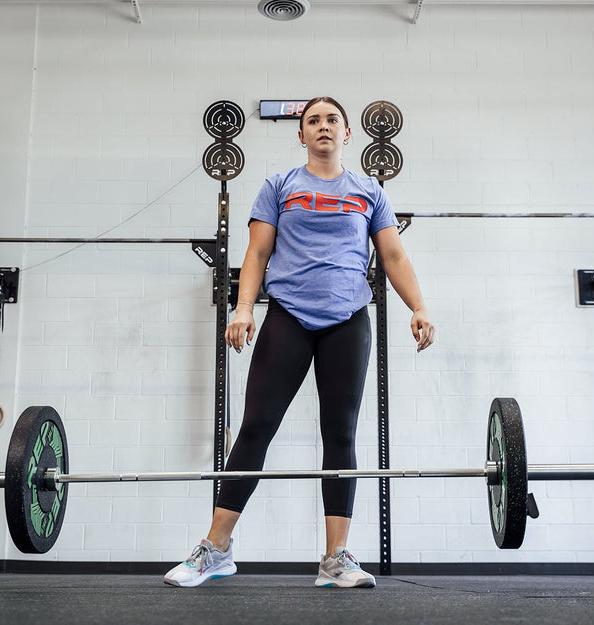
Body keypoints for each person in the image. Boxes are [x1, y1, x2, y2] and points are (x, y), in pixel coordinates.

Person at [164, 96, 434, 589]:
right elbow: (258, 250)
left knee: (341, 433)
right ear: (301, 135)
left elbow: (393, 254)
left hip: (348, 320)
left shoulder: (369, 191)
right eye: (313, 121)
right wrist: (244, 307)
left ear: (347, 134)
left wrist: (418, 306)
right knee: (256, 427)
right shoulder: (280, 186)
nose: (323, 126)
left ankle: (336, 559)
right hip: (287, 316)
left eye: (332, 120)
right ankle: (216, 549)